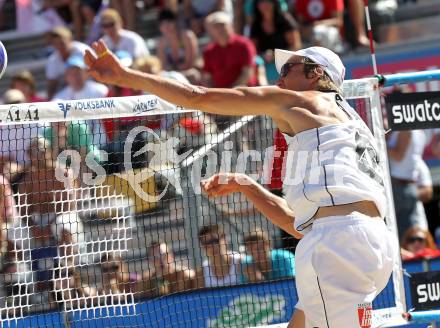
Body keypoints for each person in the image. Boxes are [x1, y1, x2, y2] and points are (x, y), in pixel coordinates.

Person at [85, 40, 397, 326]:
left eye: (287, 70)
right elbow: (302, 227)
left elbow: (198, 97)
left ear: (316, 73)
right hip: (371, 241)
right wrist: (247, 185)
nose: (279, 80)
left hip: (339, 241)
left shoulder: (305, 102)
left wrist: (127, 77)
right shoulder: (351, 130)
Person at [45, 26, 91, 99]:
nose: (59, 46)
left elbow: (97, 73)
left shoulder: (84, 51)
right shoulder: (53, 60)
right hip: (70, 92)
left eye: (62, 43)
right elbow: (52, 86)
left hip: (91, 87)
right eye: (56, 44)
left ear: (70, 40)